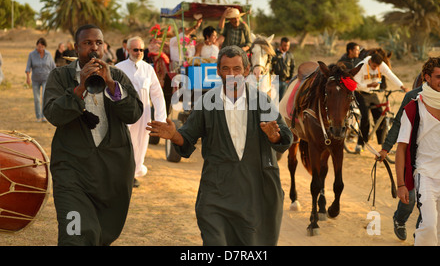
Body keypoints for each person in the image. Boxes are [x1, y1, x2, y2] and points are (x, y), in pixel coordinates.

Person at [147, 45, 293, 246]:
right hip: (216, 192)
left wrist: (273, 137)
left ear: (247, 71)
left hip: (254, 192)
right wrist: (174, 136)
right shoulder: (207, 102)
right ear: (218, 71)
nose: (232, 74)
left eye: (237, 69)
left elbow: (285, 136)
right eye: (226, 69)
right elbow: (187, 138)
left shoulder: (261, 101)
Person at [43, 24, 143, 246]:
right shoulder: (60, 77)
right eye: (87, 43)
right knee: (75, 234)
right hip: (72, 171)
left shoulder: (117, 75)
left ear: (105, 46)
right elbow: (53, 114)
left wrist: (111, 85)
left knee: (100, 234)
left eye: (98, 42)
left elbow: (134, 113)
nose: (94, 48)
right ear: (77, 48)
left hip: (112, 173)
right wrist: (79, 89)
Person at [395, 56, 440, 246]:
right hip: (425, 174)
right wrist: (401, 184)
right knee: (429, 224)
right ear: (426, 77)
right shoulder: (413, 108)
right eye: (439, 77)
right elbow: (401, 148)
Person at [116, 36, 166, 187]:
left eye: (141, 50)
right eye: (135, 49)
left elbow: (157, 94)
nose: (138, 52)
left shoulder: (148, 69)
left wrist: (160, 119)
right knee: (124, 142)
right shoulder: (119, 68)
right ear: (128, 50)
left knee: (140, 142)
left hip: (143, 114)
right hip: (124, 113)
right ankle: (121, 174)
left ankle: (133, 174)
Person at [378, 85, 423, 240]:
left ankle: (420, 235)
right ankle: (400, 220)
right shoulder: (412, 96)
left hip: (435, 160)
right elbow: (398, 123)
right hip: (412, 155)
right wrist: (386, 148)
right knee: (410, 197)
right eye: (439, 77)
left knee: (429, 204)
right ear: (426, 77)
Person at [353, 51, 409, 152]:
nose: (375, 68)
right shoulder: (361, 66)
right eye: (374, 66)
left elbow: (390, 75)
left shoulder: (381, 65)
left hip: (373, 92)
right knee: (365, 118)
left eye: (377, 66)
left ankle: (382, 142)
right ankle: (360, 144)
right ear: (370, 61)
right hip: (360, 93)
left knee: (380, 116)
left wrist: (402, 86)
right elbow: (355, 84)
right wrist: (369, 85)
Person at [25, 37, 56, 122]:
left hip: (46, 78)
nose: (40, 48)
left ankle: (44, 116)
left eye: (42, 47)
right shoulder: (32, 54)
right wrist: (28, 78)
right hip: (35, 79)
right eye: (38, 46)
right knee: (37, 99)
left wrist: (54, 78)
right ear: (36, 46)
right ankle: (38, 116)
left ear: (45, 46)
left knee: (44, 97)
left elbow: (53, 67)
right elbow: (28, 67)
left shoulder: (48, 54)